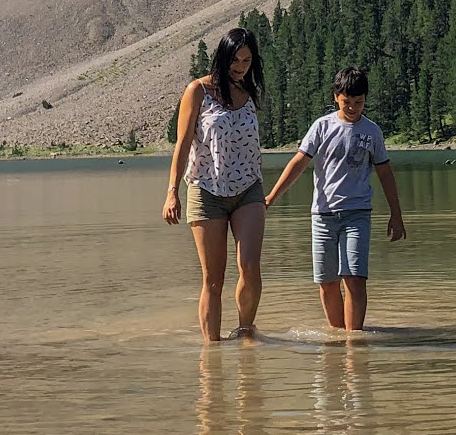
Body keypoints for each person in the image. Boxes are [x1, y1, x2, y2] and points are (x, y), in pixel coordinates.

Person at [264, 65, 405, 332]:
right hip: (323, 215)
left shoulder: (372, 132)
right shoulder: (322, 127)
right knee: (327, 281)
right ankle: (338, 335)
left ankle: (354, 339)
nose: (352, 108)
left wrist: (396, 214)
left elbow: (385, 173)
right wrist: (272, 196)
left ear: (365, 99)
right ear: (335, 97)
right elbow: (298, 163)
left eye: (359, 102)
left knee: (354, 278)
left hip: (357, 214)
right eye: (347, 102)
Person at [162, 27, 268, 342]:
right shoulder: (198, 90)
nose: (240, 66)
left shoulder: (248, 93)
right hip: (206, 190)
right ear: (222, 57)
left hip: (248, 189)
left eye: (247, 60)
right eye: (235, 59)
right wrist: (172, 192)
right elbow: (182, 144)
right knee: (213, 280)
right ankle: (213, 351)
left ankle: (246, 335)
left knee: (249, 267)